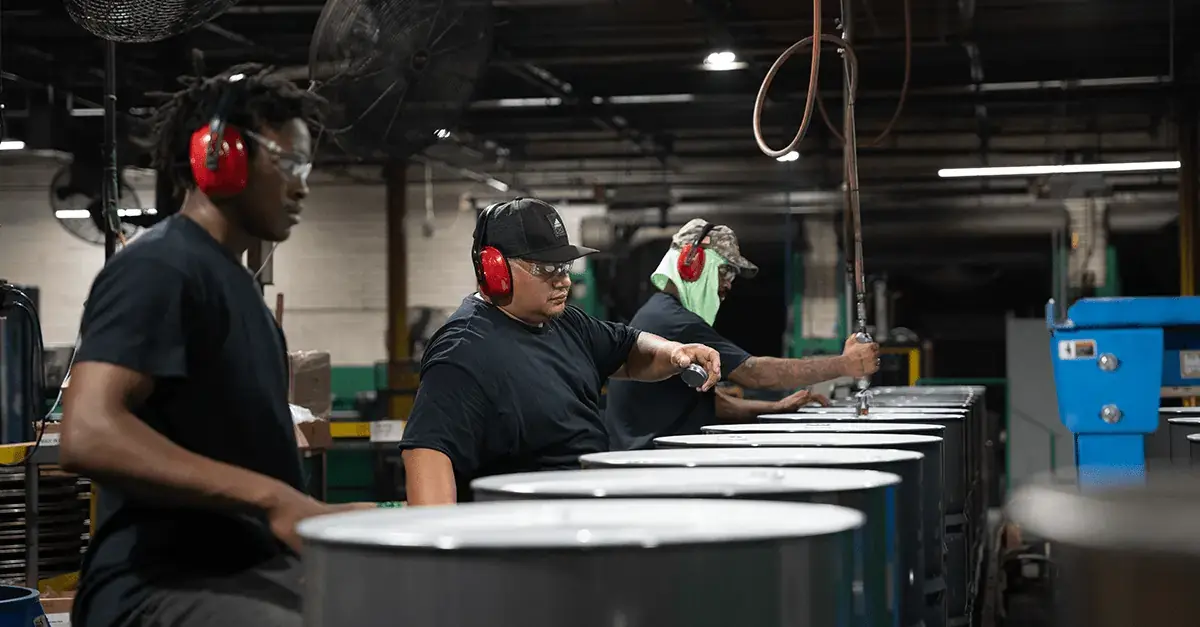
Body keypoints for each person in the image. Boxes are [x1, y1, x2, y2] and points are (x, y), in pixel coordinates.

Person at [60, 64, 370, 627]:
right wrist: (274, 499)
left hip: (248, 571)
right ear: (218, 155)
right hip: (159, 587)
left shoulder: (234, 286)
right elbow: (87, 432)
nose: (302, 184)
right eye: (288, 163)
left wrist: (331, 519)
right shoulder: (161, 266)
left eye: (307, 166)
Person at [398, 198, 723, 505]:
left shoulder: (565, 322)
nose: (564, 281)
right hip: (527, 539)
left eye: (564, 266)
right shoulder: (463, 352)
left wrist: (675, 352)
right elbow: (427, 454)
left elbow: (628, 348)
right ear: (495, 270)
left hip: (581, 511)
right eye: (546, 269)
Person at [604, 219, 881, 451]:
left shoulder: (660, 312)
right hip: (654, 468)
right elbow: (756, 373)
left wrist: (773, 408)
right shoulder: (675, 323)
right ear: (692, 264)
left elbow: (708, 403)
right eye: (725, 272)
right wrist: (845, 365)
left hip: (651, 459)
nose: (727, 286)